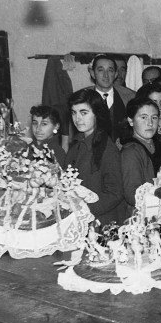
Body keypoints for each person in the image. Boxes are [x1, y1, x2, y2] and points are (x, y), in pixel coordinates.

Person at [65, 89, 124, 225]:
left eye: (84, 113)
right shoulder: (76, 145)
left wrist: (83, 211)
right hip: (78, 218)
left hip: (101, 221)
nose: (77, 118)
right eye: (74, 113)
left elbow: (115, 193)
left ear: (97, 114)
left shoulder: (107, 149)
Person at [71, 54, 135, 147]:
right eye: (101, 70)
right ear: (92, 73)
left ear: (116, 74)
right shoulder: (81, 98)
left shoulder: (130, 97)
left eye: (110, 70)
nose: (106, 75)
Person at [121, 97, 161, 216]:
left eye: (154, 118)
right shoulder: (131, 152)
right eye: (143, 117)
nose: (150, 123)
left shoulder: (158, 146)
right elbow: (132, 195)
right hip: (143, 215)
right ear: (131, 121)